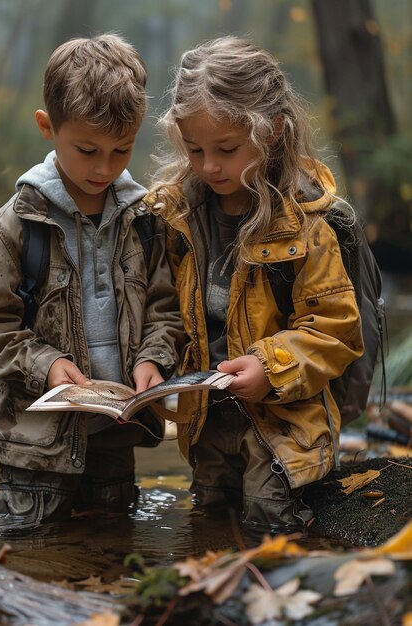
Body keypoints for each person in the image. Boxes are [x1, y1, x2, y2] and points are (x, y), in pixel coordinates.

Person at [0, 34, 184, 526]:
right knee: (33, 553)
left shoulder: (143, 221)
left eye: (122, 150)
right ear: (47, 127)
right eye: (87, 150)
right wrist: (45, 363)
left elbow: (166, 308)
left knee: (111, 552)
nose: (105, 168)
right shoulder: (17, 224)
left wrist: (153, 359)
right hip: (34, 445)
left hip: (116, 436)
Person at [144, 36, 364, 536]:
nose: (209, 166)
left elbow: (338, 327)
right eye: (194, 150)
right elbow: (162, 309)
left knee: (269, 519)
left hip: (284, 426)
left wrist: (271, 365)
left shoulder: (307, 226)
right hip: (207, 421)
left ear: (273, 132)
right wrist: (153, 360)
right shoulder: (176, 216)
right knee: (209, 517)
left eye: (226, 149)